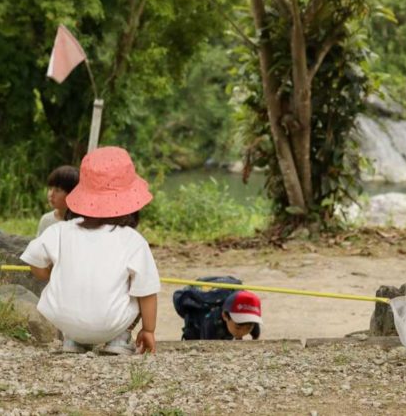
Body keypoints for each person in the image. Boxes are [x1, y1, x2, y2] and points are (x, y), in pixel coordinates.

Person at [20, 146, 160, 355]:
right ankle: (119, 340)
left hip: (65, 320)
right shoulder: (133, 240)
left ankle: (73, 341)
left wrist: (49, 273)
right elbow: (147, 292)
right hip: (111, 323)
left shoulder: (59, 230)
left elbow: (34, 260)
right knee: (138, 286)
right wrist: (148, 330)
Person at [190, 289, 262, 340]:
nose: (242, 332)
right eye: (238, 327)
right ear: (225, 316)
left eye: (248, 328)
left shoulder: (253, 322)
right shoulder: (211, 324)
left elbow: (255, 337)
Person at [36, 165, 79, 237]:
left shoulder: (81, 222)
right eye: (50, 189)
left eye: (57, 190)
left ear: (72, 193)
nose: (51, 194)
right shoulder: (46, 220)